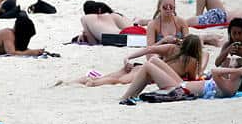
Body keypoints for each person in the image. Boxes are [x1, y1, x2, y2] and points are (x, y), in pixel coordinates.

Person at [58, 34, 206, 87]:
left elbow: (149, 49)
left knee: (111, 77)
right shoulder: (191, 61)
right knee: (119, 81)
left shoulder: (172, 48)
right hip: (147, 74)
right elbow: (194, 79)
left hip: (140, 67)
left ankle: (77, 81)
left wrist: (129, 57)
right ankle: (92, 83)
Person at [119, 56, 242, 105]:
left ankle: (126, 97)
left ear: (239, 73)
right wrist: (236, 70)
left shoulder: (229, 87)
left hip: (180, 89)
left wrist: (236, 71)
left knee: (148, 66)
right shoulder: (231, 81)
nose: (228, 70)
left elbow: (215, 72)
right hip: (182, 83)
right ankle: (132, 94)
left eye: (231, 68)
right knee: (153, 60)